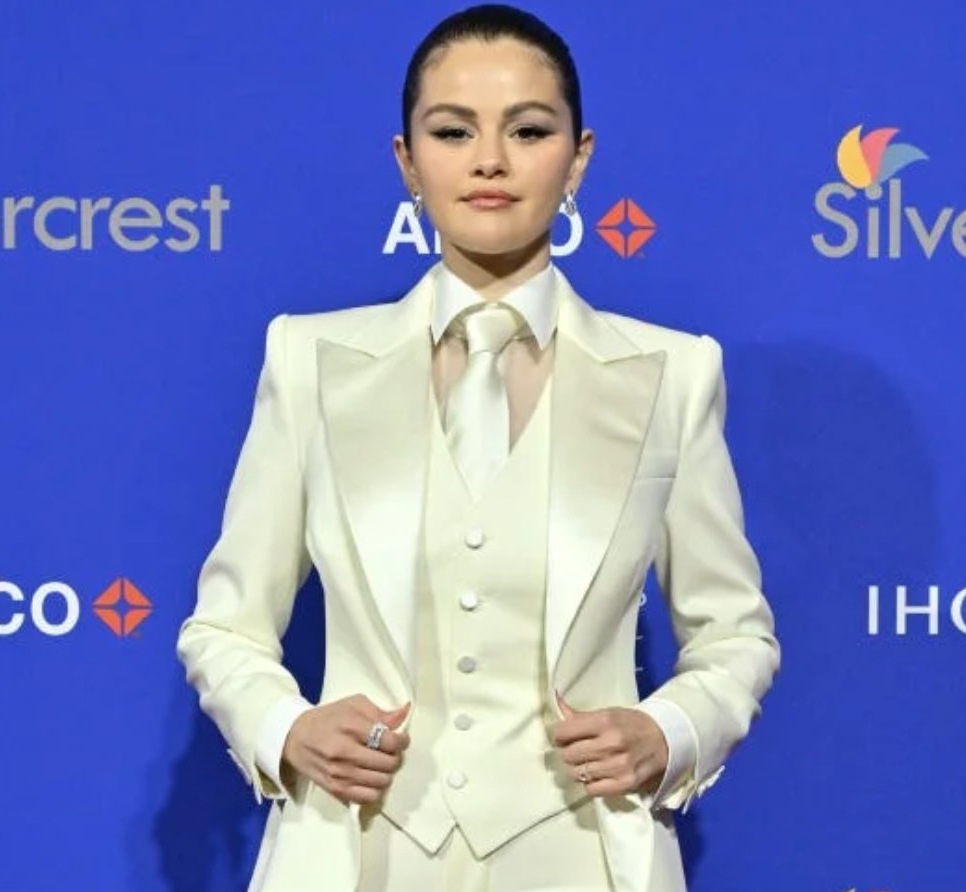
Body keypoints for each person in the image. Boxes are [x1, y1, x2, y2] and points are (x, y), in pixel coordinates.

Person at [175, 5, 780, 891]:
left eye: (528, 130)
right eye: (453, 131)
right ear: (406, 161)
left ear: (578, 158)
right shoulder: (309, 360)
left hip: (584, 856)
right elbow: (224, 626)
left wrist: (670, 730)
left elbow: (734, 632)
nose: (490, 160)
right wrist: (287, 729)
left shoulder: (673, 375)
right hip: (354, 852)